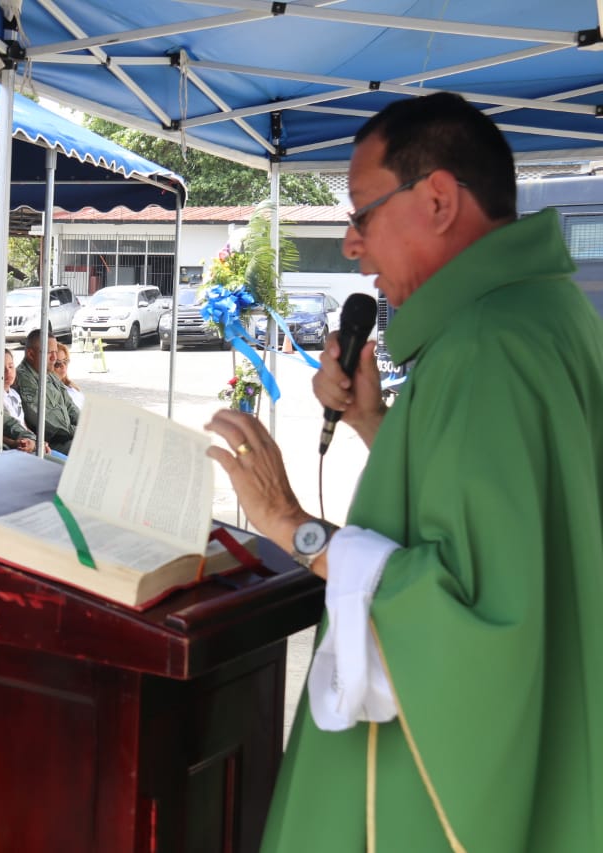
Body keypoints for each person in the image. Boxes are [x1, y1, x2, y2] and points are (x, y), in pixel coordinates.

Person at [204, 92, 603, 852]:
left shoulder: (486, 348)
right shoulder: (545, 312)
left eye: (362, 212)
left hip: (448, 769)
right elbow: (507, 521)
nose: (352, 244)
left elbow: (469, 611)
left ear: (439, 200)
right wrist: (372, 423)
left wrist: (292, 523)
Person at [14, 328, 78, 455]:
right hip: (51, 444)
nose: (54, 358)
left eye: (55, 352)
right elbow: (51, 424)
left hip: (69, 437)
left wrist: (87, 426)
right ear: (31, 354)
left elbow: (70, 406)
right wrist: (81, 432)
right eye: (49, 352)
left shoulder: (48, 373)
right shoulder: (24, 379)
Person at [52, 342, 85, 410]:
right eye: (57, 363)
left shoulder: (70, 385)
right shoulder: (50, 393)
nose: (63, 366)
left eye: (65, 361)